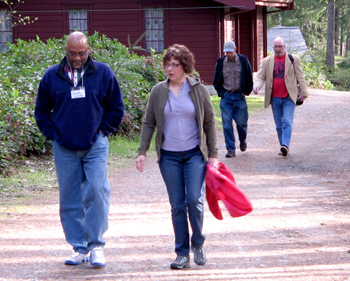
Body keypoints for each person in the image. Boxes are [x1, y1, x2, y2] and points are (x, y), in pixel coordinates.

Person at [34, 31, 125, 267]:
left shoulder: (103, 72)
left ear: (89, 50)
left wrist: (104, 132)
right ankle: (79, 247)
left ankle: (96, 246)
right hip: (64, 147)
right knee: (70, 198)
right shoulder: (52, 76)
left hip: (95, 144)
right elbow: (41, 112)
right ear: (65, 51)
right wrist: (53, 135)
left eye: (82, 53)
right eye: (73, 53)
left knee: (96, 190)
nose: (77, 58)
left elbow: (116, 107)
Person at [135, 44, 219, 269]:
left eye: (175, 65)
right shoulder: (158, 91)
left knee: (194, 199)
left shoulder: (198, 89)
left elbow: (209, 123)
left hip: (194, 155)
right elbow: (148, 123)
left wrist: (213, 155)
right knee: (177, 204)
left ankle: (198, 243)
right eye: (167, 64)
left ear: (185, 67)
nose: (170, 69)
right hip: (169, 157)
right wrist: (141, 152)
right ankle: (182, 253)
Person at [253, 36, 308, 156]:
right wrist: (257, 86)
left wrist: (304, 93)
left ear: (284, 47)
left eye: (280, 46)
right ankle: (283, 145)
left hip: (289, 97)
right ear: (273, 47)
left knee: (287, 121)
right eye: (276, 47)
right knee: (279, 125)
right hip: (274, 98)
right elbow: (261, 76)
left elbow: (300, 77)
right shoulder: (267, 61)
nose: (278, 49)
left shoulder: (293, 59)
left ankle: (285, 145)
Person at [213, 40, 253, 157]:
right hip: (226, 96)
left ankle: (242, 140)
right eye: (226, 52)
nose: (229, 54)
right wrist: (221, 93)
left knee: (241, 123)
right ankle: (230, 149)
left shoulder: (243, 61)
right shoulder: (220, 63)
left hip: (239, 95)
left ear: (235, 50)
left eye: (230, 52)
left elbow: (249, 77)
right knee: (226, 124)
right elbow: (216, 80)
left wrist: (246, 92)